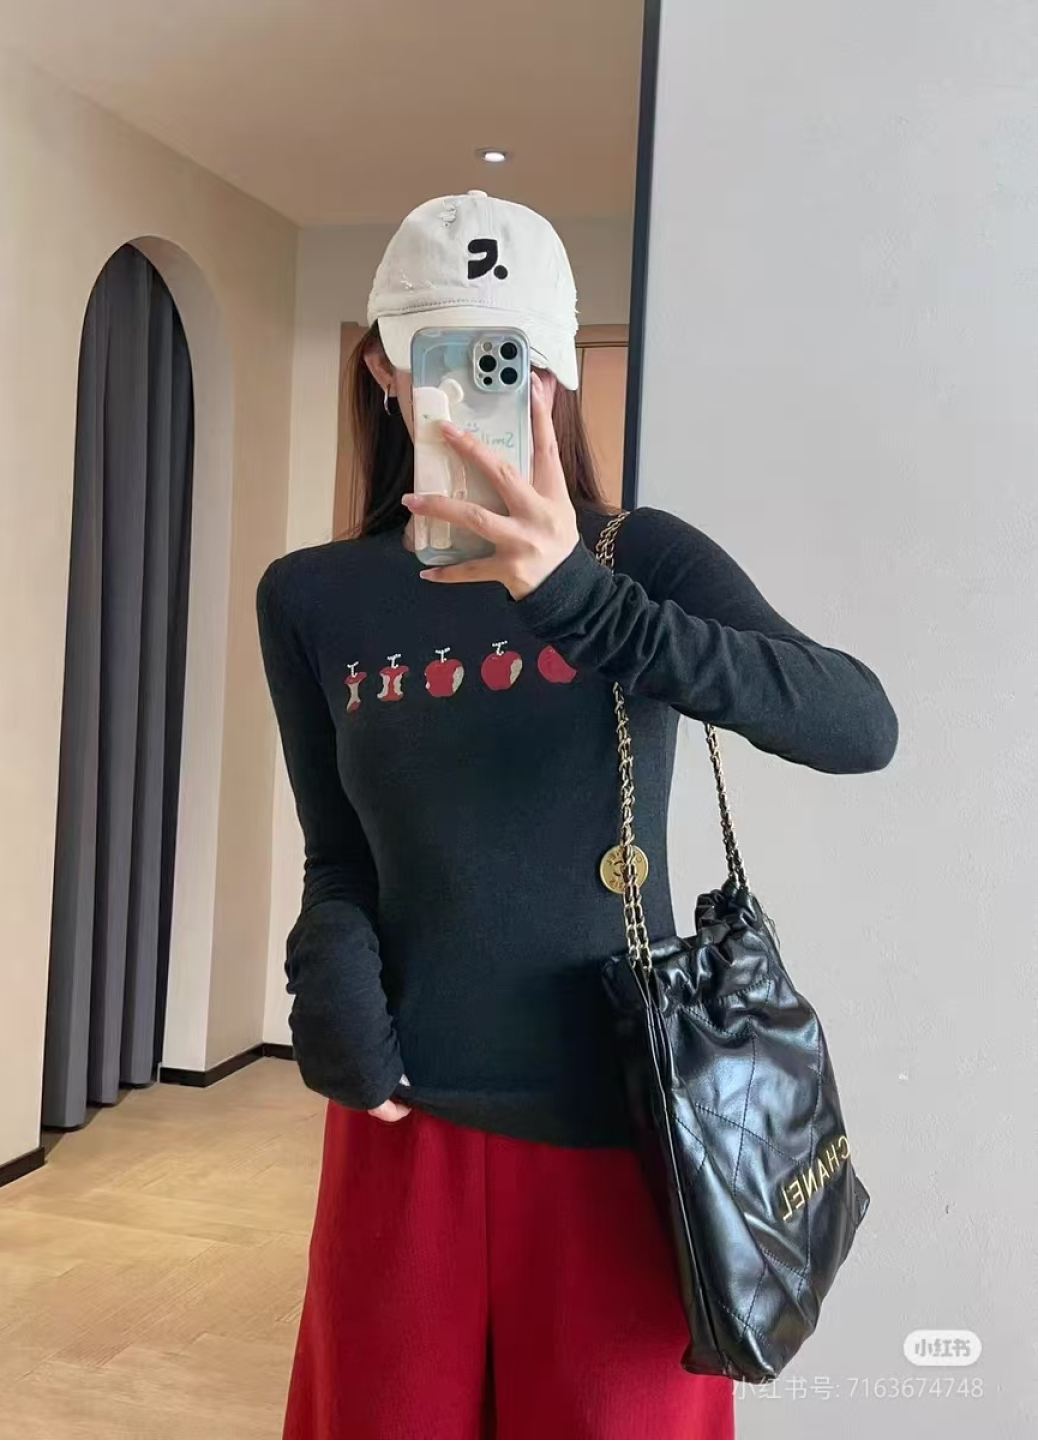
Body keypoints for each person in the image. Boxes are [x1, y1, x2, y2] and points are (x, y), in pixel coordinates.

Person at [256, 191, 898, 1440]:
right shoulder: (312, 597)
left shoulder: (638, 559)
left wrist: (579, 600)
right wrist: (330, 984)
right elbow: (338, 854)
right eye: (444, 359)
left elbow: (856, 724)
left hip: (628, 1136)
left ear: (556, 373)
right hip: (405, 1129)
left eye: (515, 361)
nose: (480, 396)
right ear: (383, 369)